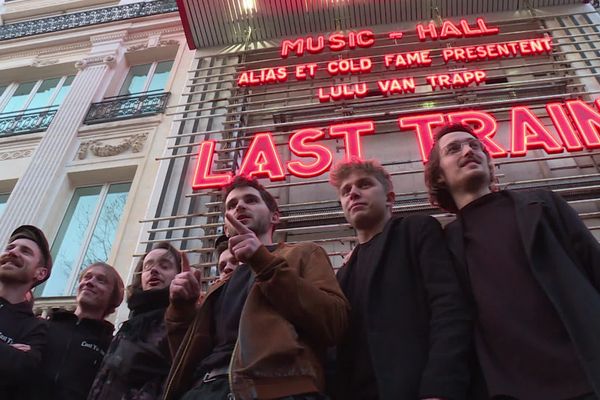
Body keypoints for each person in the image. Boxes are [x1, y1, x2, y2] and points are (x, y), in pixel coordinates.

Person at [424, 123, 600, 400]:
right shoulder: (444, 243)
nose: (469, 150)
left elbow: (594, 265)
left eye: (475, 145)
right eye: (453, 149)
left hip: (586, 374)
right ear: (439, 176)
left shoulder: (542, 204)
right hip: (512, 390)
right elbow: (452, 319)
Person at [164, 176, 349, 400]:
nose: (240, 206)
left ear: (275, 216)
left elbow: (334, 322)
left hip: (277, 390)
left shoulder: (303, 253)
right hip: (205, 391)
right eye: (231, 205)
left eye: (251, 200)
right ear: (226, 226)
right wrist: (181, 310)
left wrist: (264, 263)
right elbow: (186, 359)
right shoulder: (221, 285)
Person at [328, 160, 471, 400]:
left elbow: (449, 307)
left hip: (418, 389)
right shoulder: (343, 273)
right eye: (345, 191)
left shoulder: (416, 231)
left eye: (364, 184)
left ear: (389, 198)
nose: (353, 193)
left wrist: (441, 386)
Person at [88, 242, 184, 400]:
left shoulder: (179, 321)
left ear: (178, 274)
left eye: (164, 266)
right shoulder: (129, 324)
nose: (154, 270)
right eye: (147, 266)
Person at [35, 262, 124, 400]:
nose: (90, 282)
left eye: (101, 280)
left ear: (114, 297)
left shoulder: (112, 348)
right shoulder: (43, 327)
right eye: (87, 277)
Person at [0, 225, 52, 400]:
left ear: (40, 273)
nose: (13, 252)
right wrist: (7, 352)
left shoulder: (36, 328)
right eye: (10, 247)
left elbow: (22, 369)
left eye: (25, 251)